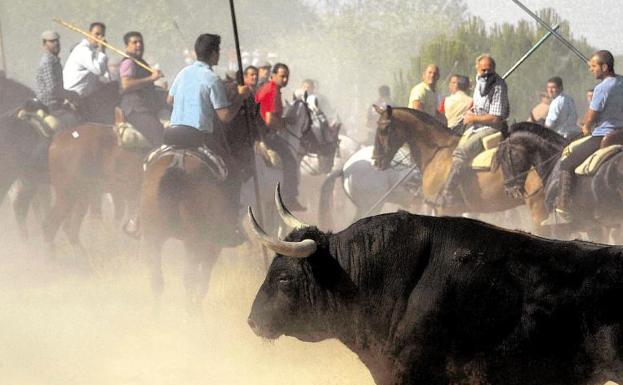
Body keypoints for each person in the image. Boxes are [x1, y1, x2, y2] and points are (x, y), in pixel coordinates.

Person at [161, 33, 250, 244]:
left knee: (149, 164)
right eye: (217, 51)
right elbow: (225, 116)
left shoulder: (183, 73)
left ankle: (137, 218)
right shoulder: (212, 78)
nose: (218, 55)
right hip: (197, 137)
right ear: (212, 54)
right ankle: (230, 225)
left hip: (171, 133)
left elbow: (169, 99)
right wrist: (241, 98)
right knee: (233, 173)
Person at [542, 50, 623, 225]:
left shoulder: (602, 88)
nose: (591, 70)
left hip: (604, 134)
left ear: (604, 67)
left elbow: (592, 115)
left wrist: (585, 123)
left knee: (567, 162)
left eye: (594, 66)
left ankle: (563, 209)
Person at [439, 54, 509, 208]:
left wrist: (473, 118)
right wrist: (472, 111)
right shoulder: (479, 81)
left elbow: (496, 118)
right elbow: (479, 105)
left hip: (490, 128)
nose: (486, 73)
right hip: (475, 126)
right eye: (483, 70)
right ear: (477, 69)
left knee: (461, 152)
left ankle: (449, 194)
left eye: (489, 70)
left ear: (494, 69)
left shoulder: (498, 86)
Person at [255, 63, 306, 211]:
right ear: (273, 75)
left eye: (287, 77)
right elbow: (270, 120)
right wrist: (284, 124)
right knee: (290, 159)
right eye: (282, 76)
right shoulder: (273, 91)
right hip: (266, 133)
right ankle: (290, 197)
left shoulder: (266, 88)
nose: (285, 79)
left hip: (258, 131)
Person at [63, 22, 118, 124]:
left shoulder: (92, 52)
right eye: (96, 34)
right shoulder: (82, 50)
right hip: (73, 96)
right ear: (88, 34)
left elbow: (100, 76)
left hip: (84, 97)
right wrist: (102, 49)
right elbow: (98, 70)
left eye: (102, 35)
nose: (99, 38)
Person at [118, 31, 164, 146]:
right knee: (159, 133)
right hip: (135, 110)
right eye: (134, 42)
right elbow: (126, 84)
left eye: (140, 42)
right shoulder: (129, 62)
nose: (139, 45)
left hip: (146, 108)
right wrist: (151, 78)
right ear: (127, 46)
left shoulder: (140, 62)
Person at [34, 30, 80, 129]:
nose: (56, 43)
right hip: (49, 105)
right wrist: (70, 95)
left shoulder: (54, 61)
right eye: (52, 41)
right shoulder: (48, 62)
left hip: (56, 103)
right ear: (44, 43)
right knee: (73, 121)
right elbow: (52, 89)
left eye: (57, 41)